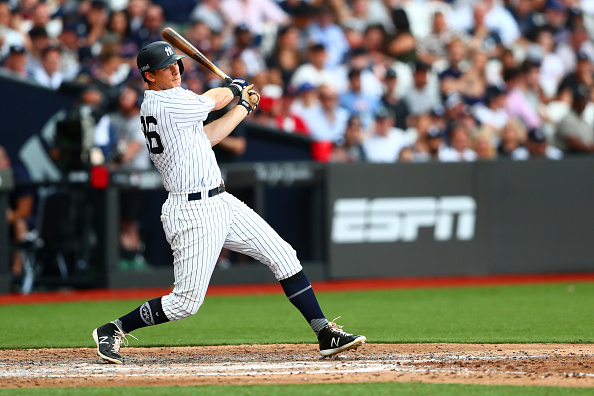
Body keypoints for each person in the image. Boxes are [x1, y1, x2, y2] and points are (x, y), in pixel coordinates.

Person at [92, 41, 366, 364]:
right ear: (149, 77)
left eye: (176, 65)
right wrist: (232, 89)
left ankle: (325, 332)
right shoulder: (162, 102)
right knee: (185, 303)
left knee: (284, 255)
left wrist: (242, 108)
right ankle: (113, 328)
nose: (175, 71)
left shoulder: (175, 103)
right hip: (191, 210)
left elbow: (208, 136)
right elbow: (211, 101)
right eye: (166, 68)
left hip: (221, 201)